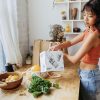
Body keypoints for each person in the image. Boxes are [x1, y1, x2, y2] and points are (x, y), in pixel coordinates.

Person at [50, 0, 100, 100]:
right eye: (84, 14)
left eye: (90, 16)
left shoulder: (94, 35)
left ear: (98, 17)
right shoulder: (88, 30)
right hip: (84, 73)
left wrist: (62, 54)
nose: (85, 18)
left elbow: (74, 59)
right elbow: (71, 42)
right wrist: (58, 46)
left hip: (89, 76)